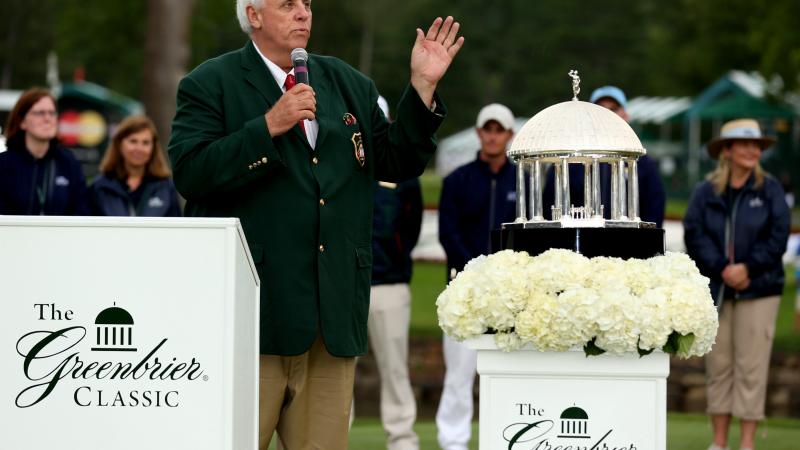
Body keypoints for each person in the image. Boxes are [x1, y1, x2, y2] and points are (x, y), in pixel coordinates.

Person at [167, 1, 464, 449]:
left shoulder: (346, 82)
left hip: (331, 317)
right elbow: (191, 172)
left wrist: (421, 88)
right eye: (288, 4)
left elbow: (395, 161)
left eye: (307, 4)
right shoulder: (211, 83)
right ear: (254, 15)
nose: (304, 13)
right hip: (254, 318)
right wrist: (269, 125)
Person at [683, 118, 790, 450]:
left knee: (752, 368)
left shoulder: (770, 190)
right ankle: (719, 443)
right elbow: (695, 234)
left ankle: (746, 444)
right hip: (717, 291)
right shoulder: (705, 192)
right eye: (744, 144)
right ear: (726, 151)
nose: (752, 150)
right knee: (719, 366)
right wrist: (722, 268)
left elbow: (777, 238)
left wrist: (747, 268)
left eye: (757, 145)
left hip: (760, 290)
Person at [436, 103, 517, 450]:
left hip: (513, 294)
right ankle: (453, 442)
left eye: (500, 130)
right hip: (464, 293)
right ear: (479, 133)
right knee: (459, 373)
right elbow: (448, 233)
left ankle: (509, 439)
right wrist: (477, 272)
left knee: (511, 375)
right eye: (488, 129)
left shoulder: (526, 181)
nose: (493, 136)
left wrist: (504, 275)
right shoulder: (458, 180)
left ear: (509, 136)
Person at [543, 85, 666, 227]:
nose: (606, 114)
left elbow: (654, 211)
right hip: (580, 242)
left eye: (613, 108)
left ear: (625, 116)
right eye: (599, 109)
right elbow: (550, 207)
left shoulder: (642, 162)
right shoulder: (569, 159)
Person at [0, 88, 89, 215]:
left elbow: (82, 212)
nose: (48, 118)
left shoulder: (68, 163)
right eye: (40, 113)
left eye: (52, 113)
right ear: (22, 122)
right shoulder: (4, 165)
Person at [90, 115, 181, 217]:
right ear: (119, 144)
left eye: (145, 143)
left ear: (153, 147)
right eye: (133, 141)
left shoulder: (165, 188)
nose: (139, 148)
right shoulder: (101, 187)